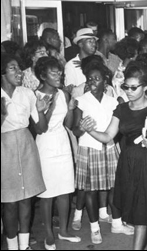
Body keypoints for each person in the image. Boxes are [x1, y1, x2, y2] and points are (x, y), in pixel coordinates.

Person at [80, 65, 147, 250]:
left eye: (133, 87)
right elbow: (107, 137)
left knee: (143, 205)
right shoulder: (121, 109)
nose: (128, 91)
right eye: (125, 87)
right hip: (127, 162)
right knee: (137, 205)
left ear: (145, 87)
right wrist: (90, 130)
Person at [72, 61, 127, 244]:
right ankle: (94, 228)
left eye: (97, 78)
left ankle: (116, 222)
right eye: (90, 79)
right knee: (91, 190)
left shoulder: (112, 102)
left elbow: (119, 127)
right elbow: (76, 130)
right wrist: (81, 127)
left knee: (114, 186)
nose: (92, 82)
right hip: (89, 149)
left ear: (105, 81)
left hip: (110, 148)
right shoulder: (82, 101)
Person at [1, 53, 50, 250]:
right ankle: (12, 247)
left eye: (19, 68)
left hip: (26, 146)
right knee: (10, 202)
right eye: (13, 68)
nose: (19, 72)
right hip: (4, 149)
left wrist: (40, 110)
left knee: (26, 199)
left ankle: (24, 245)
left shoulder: (27, 93)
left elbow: (40, 129)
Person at [34, 56, 80, 250]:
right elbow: (41, 128)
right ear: (43, 76)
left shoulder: (63, 93)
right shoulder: (34, 96)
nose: (59, 75)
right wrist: (49, 108)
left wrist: (70, 110)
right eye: (54, 73)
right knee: (48, 194)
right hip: (45, 145)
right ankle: (49, 236)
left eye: (60, 72)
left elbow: (67, 125)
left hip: (62, 142)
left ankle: (63, 230)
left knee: (65, 191)